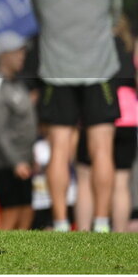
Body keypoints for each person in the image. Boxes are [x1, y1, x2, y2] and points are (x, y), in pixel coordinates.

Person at [29, 0, 123, 232]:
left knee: (59, 148)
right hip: (99, 70)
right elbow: (114, 19)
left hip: (57, 69)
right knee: (102, 149)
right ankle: (100, 223)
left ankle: (58, 222)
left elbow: (39, 17)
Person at [74, 15, 137, 231]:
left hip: (97, 113)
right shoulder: (132, 47)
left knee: (85, 177)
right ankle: (118, 236)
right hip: (128, 118)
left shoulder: (92, 47)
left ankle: (84, 232)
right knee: (121, 182)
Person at [0, 32, 38, 230]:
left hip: (24, 159)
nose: (21, 57)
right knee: (11, 213)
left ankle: (19, 258)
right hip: (6, 162)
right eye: (17, 53)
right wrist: (16, 162)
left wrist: (30, 157)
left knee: (26, 211)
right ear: (3, 56)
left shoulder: (18, 83)